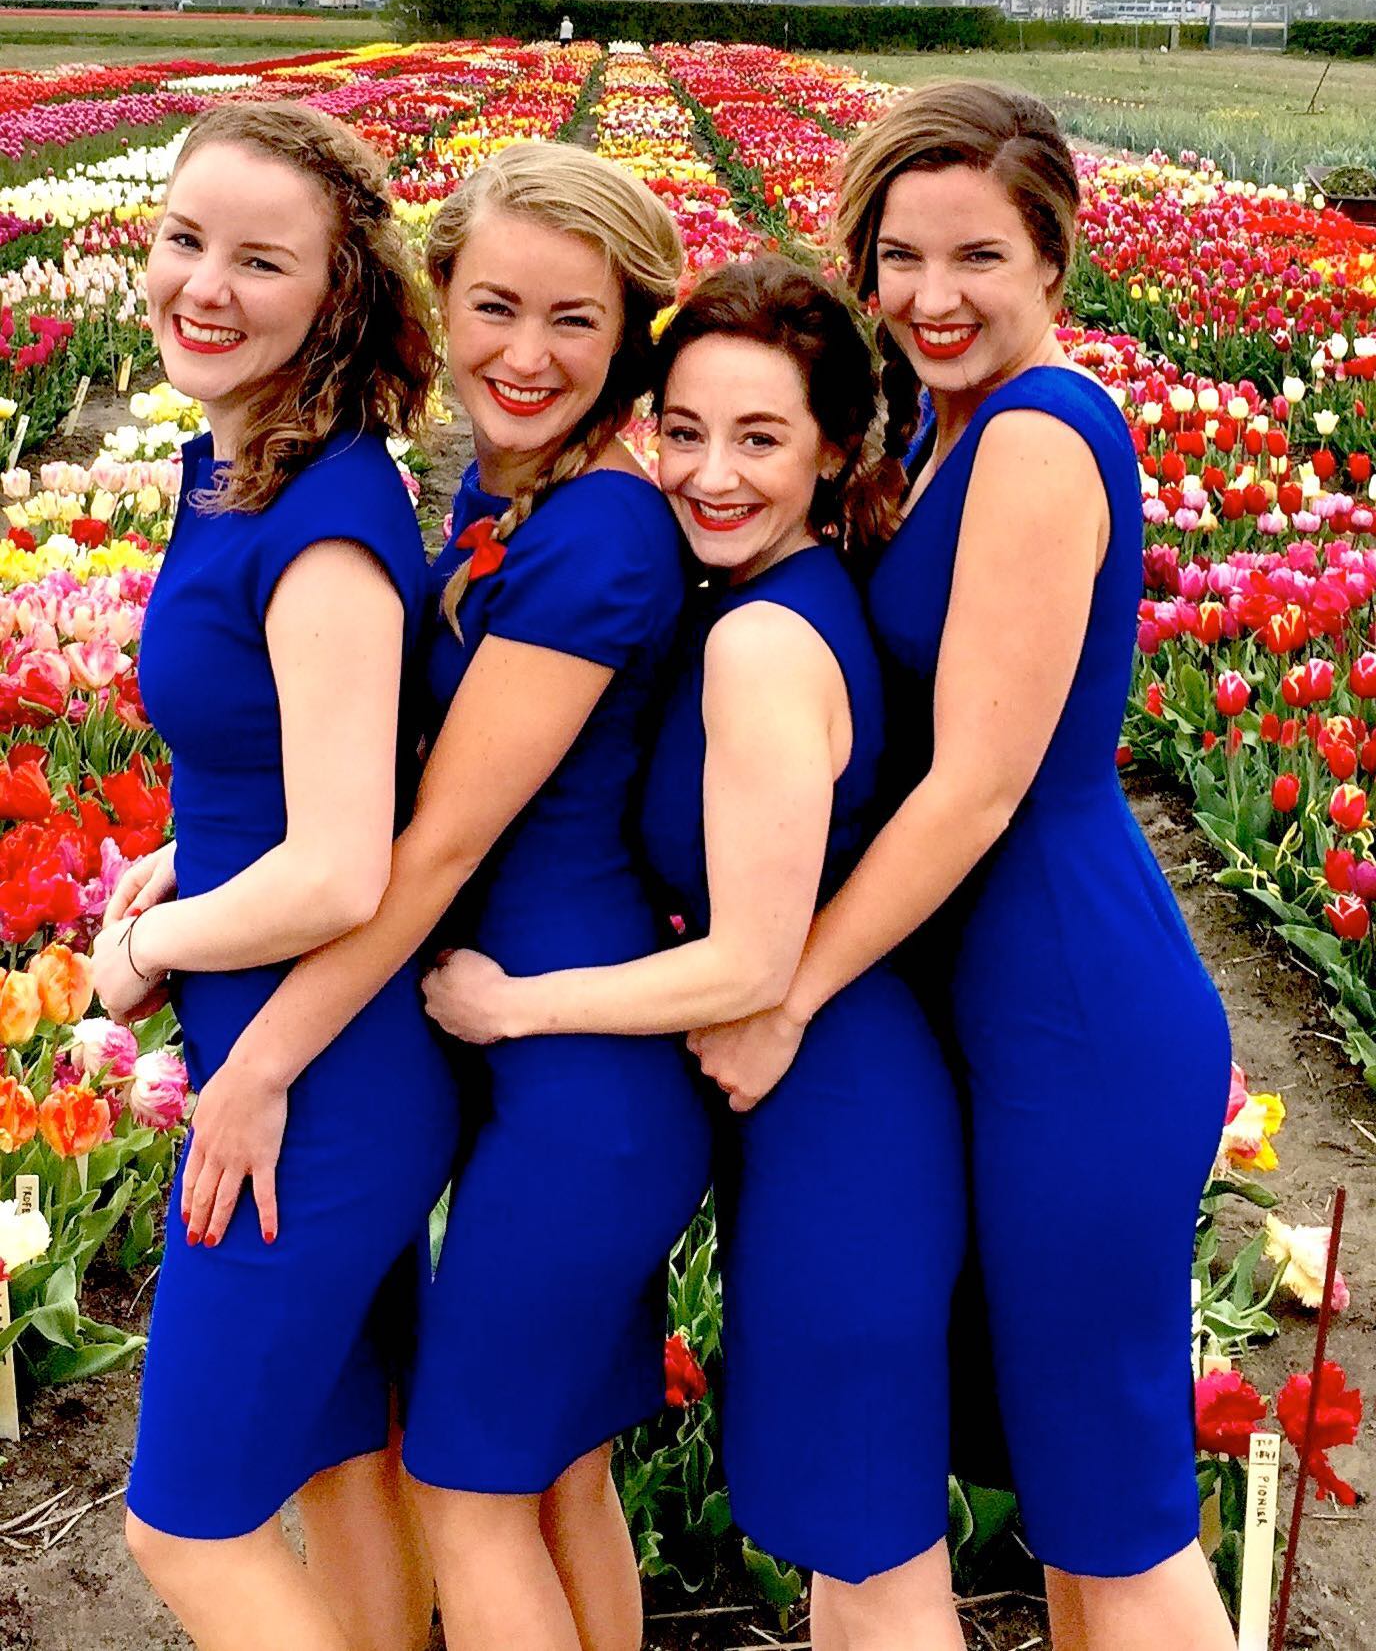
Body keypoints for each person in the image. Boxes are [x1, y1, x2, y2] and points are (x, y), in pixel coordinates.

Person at [691, 85, 1236, 1651]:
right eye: (901, 257)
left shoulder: (1044, 437)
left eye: (978, 257)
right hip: (983, 995)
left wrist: (786, 991)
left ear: (1054, 257)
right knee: (1063, 1491)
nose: (933, 296)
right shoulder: (938, 429)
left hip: (1069, 1006)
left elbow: (979, 792)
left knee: (1116, 1510)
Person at [173, 141, 713, 1651]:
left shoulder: (598, 535)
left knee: (467, 1494)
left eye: (574, 321)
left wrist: (262, 1059)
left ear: (634, 334)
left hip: (571, 1081)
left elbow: (435, 850)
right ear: (439, 297)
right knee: (557, 1479)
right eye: (494, 307)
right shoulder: (515, 488)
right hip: (538, 1059)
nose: (524, 356)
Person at [427, 254, 967, 1651]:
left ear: (834, 451)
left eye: (760, 439)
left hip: (836, 1121)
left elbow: (748, 969)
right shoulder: (766, 593)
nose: (710, 475)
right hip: (806, 1106)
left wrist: (514, 1003)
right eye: (683, 430)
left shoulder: (759, 647)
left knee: (876, 1552)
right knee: (848, 1544)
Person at [92, 100, 461, 1651]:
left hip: (318, 1078)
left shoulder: (324, 525)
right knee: (345, 1462)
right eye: (187, 240)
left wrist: (149, 946)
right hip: (295, 1054)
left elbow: (339, 864)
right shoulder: (241, 467)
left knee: (180, 1528)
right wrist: (186, 848)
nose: (205, 284)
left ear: (338, 294)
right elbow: (300, 763)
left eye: (261, 260)